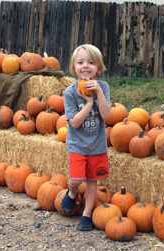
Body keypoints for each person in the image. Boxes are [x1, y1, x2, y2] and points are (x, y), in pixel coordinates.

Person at [61, 44, 111, 231]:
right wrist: (89, 103)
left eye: (91, 62)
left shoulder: (103, 87)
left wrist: (97, 93)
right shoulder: (70, 92)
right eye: (80, 62)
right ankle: (72, 192)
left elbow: (106, 115)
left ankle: (86, 214)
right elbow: (74, 123)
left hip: (97, 145)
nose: (85, 66)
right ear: (74, 67)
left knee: (92, 181)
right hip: (77, 144)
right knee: (76, 179)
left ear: (98, 68)